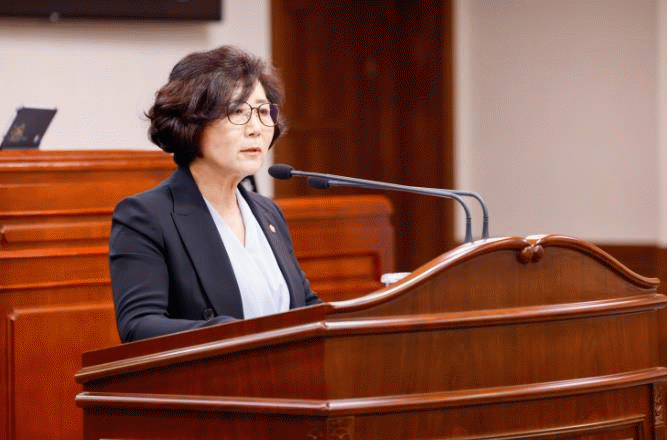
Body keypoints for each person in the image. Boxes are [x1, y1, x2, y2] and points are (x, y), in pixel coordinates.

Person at [109, 46, 321, 343]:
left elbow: (307, 308)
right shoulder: (146, 217)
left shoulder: (268, 213)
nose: (256, 129)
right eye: (237, 111)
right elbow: (139, 327)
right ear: (192, 122)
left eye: (263, 111)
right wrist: (238, 334)